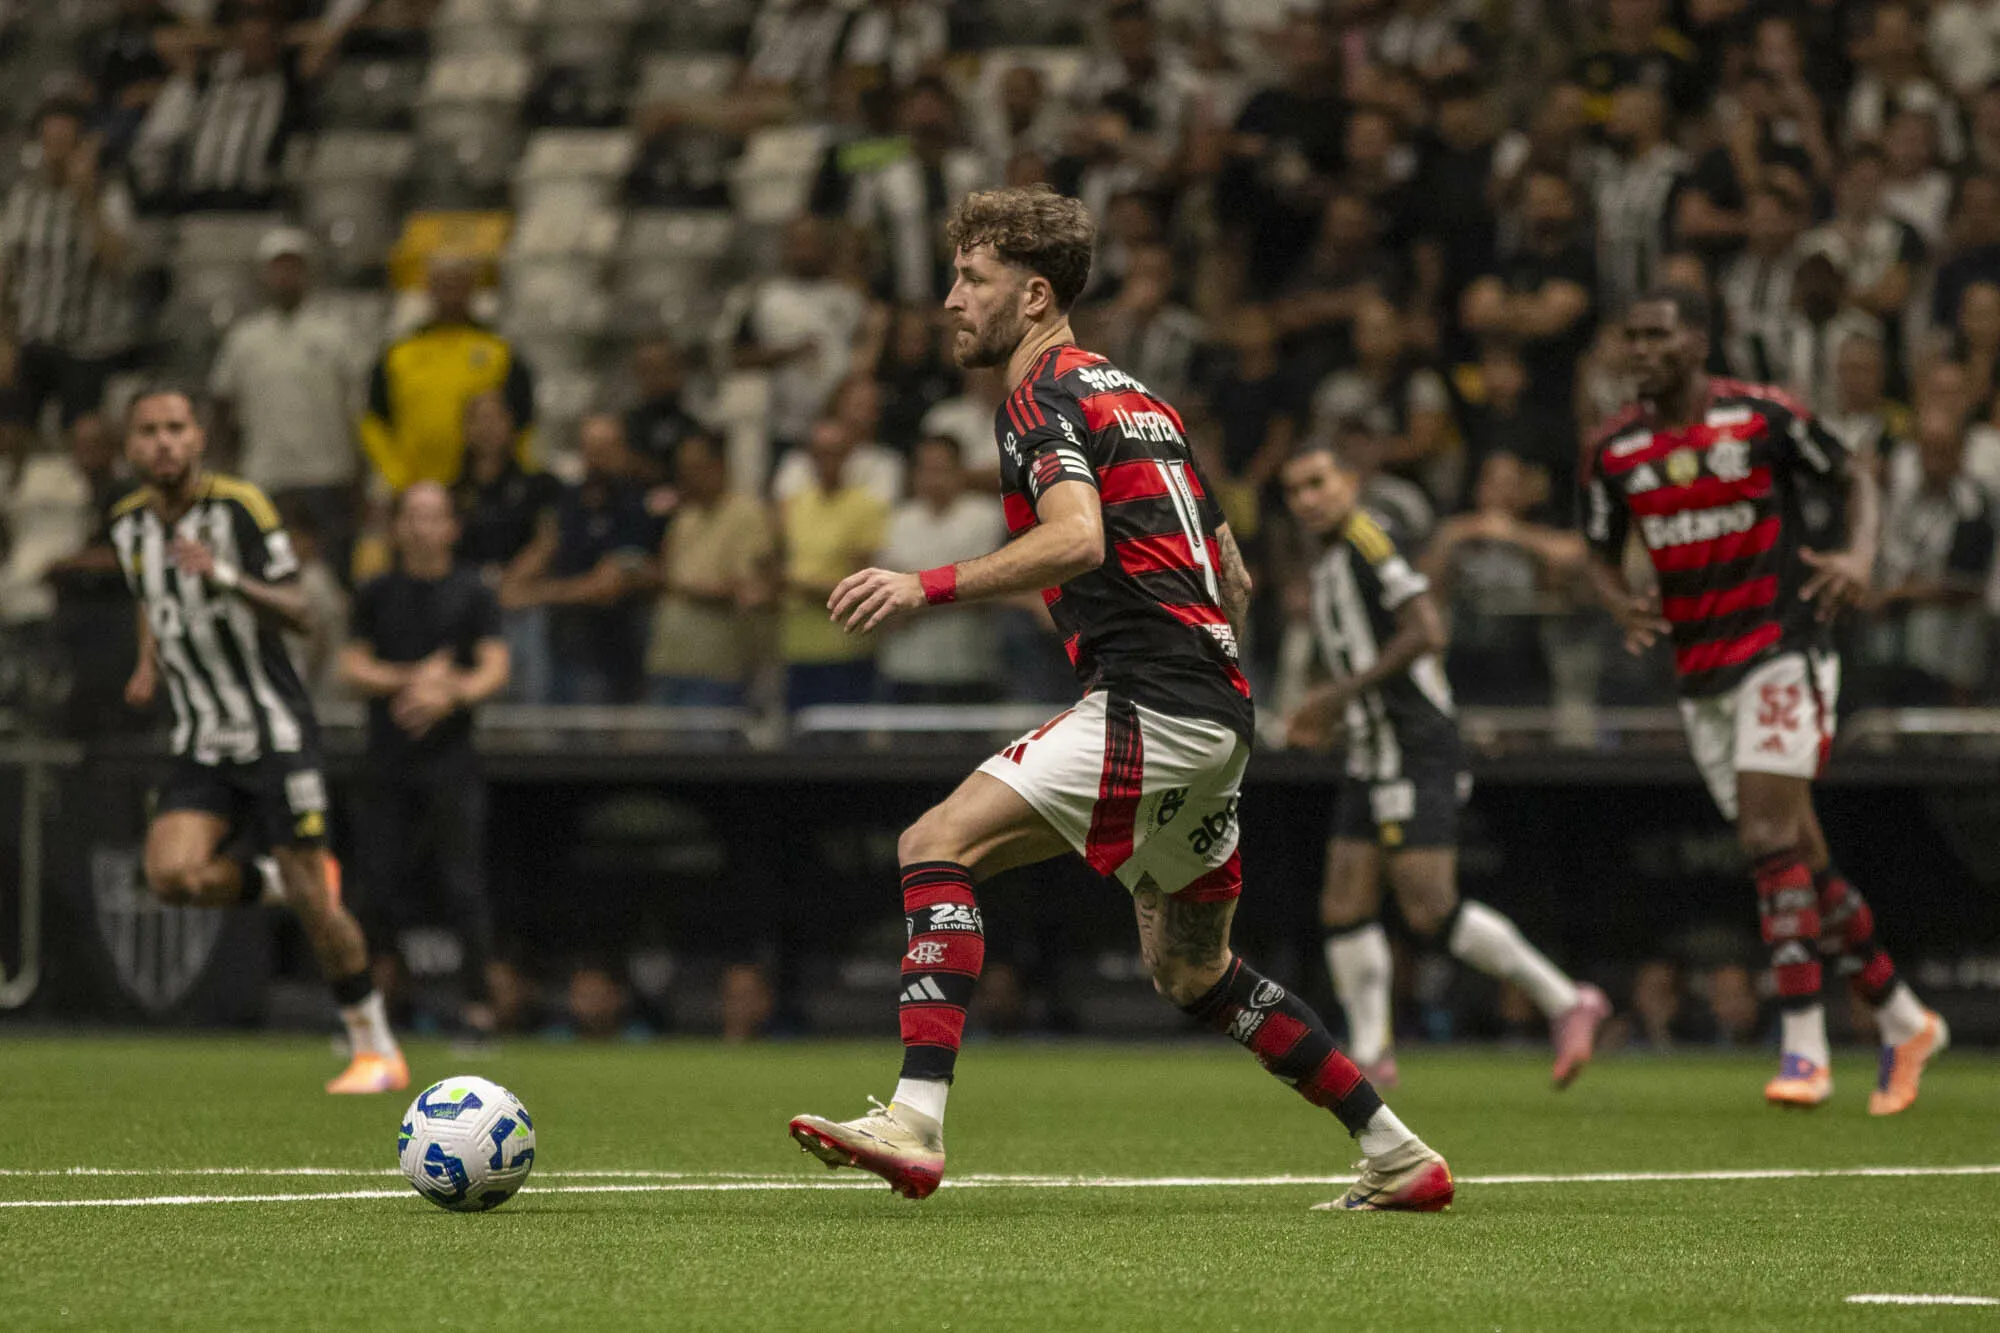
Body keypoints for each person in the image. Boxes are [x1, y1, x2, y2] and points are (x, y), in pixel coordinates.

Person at [787, 185, 1452, 1213]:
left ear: (1036, 292)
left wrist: (926, 583)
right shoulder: (1140, 399)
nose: (950, 299)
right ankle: (1398, 1152)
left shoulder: (1035, 395)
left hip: (1150, 700)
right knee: (1192, 971)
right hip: (1213, 709)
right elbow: (1225, 569)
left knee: (934, 842)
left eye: (972, 278)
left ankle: (913, 1121)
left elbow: (1078, 538)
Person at [1581, 286, 1947, 1113]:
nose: (1640, 351)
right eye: (1630, 337)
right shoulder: (1613, 450)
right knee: (1799, 858)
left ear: (1698, 340)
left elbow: (1855, 470)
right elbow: (1598, 545)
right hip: (1701, 675)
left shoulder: (1761, 417)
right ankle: (1904, 1016)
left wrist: (1858, 556)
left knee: (1765, 834)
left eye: (1656, 334)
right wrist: (1615, 597)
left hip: (1783, 647)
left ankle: (1805, 1046)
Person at [1279, 441, 1609, 1091]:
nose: (1308, 498)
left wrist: (1335, 696)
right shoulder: (1327, 560)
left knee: (1430, 907)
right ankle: (1373, 1053)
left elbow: (1428, 629)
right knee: (1344, 899)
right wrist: (1338, 710)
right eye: (1295, 490)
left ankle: (1566, 999)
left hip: (1413, 741)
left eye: (1319, 481)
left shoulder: (1370, 539)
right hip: (1372, 746)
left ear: (1350, 481)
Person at [109, 386, 404, 1094]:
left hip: (273, 730)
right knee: (170, 877)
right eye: (149, 431)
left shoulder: (240, 508)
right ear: (131, 447)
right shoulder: (126, 526)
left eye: (176, 428)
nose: (164, 442)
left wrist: (225, 575)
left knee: (318, 905)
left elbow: (302, 611)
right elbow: (153, 598)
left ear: (199, 437)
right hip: (202, 736)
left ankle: (376, 1048)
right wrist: (147, 661)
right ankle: (274, 879)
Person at [340, 482, 511, 1038]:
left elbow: (495, 668)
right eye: (411, 516)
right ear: (397, 526)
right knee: (376, 887)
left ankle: (478, 1009)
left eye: (432, 516)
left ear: (451, 527)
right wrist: (415, 678)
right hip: (387, 762)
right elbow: (353, 667)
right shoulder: (377, 592)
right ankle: (372, 1011)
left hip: (452, 763)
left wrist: (451, 693)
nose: (421, 527)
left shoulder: (473, 593)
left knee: (464, 886)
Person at [209, 227, 360, 584]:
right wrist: (225, 471)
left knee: (334, 574)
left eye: (293, 267)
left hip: (328, 475)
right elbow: (222, 408)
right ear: (264, 275)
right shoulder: (244, 339)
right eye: (278, 268)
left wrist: (360, 480)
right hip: (265, 476)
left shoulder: (336, 335)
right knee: (264, 574)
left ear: (307, 273)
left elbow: (356, 411)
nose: (285, 276)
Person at [360, 256, 537, 494]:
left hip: (483, 490)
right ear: (428, 289)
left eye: (458, 283)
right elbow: (374, 421)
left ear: (472, 288)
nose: (451, 291)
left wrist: (515, 476)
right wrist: (395, 474)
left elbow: (524, 422)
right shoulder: (399, 353)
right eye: (443, 283)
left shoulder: (498, 352)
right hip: (417, 489)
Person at [646, 429, 776, 707]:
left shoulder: (747, 514)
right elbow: (667, 571)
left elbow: (749, 589)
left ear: (719, 467)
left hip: (716, 665)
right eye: (681, 469)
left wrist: (679, 586)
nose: (686, 477)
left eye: (694, 468)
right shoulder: (685, 515)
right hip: (670, 658)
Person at [875, 435, 1008, 703]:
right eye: (925, 469)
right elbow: (886, 589)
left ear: (960, 471)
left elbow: (982, 588)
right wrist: (947, 588)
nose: (932, 478)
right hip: (905, 665)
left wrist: (916, 595)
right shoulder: (897, 520)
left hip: (969, 666)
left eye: (941, 469)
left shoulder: (987, 517)